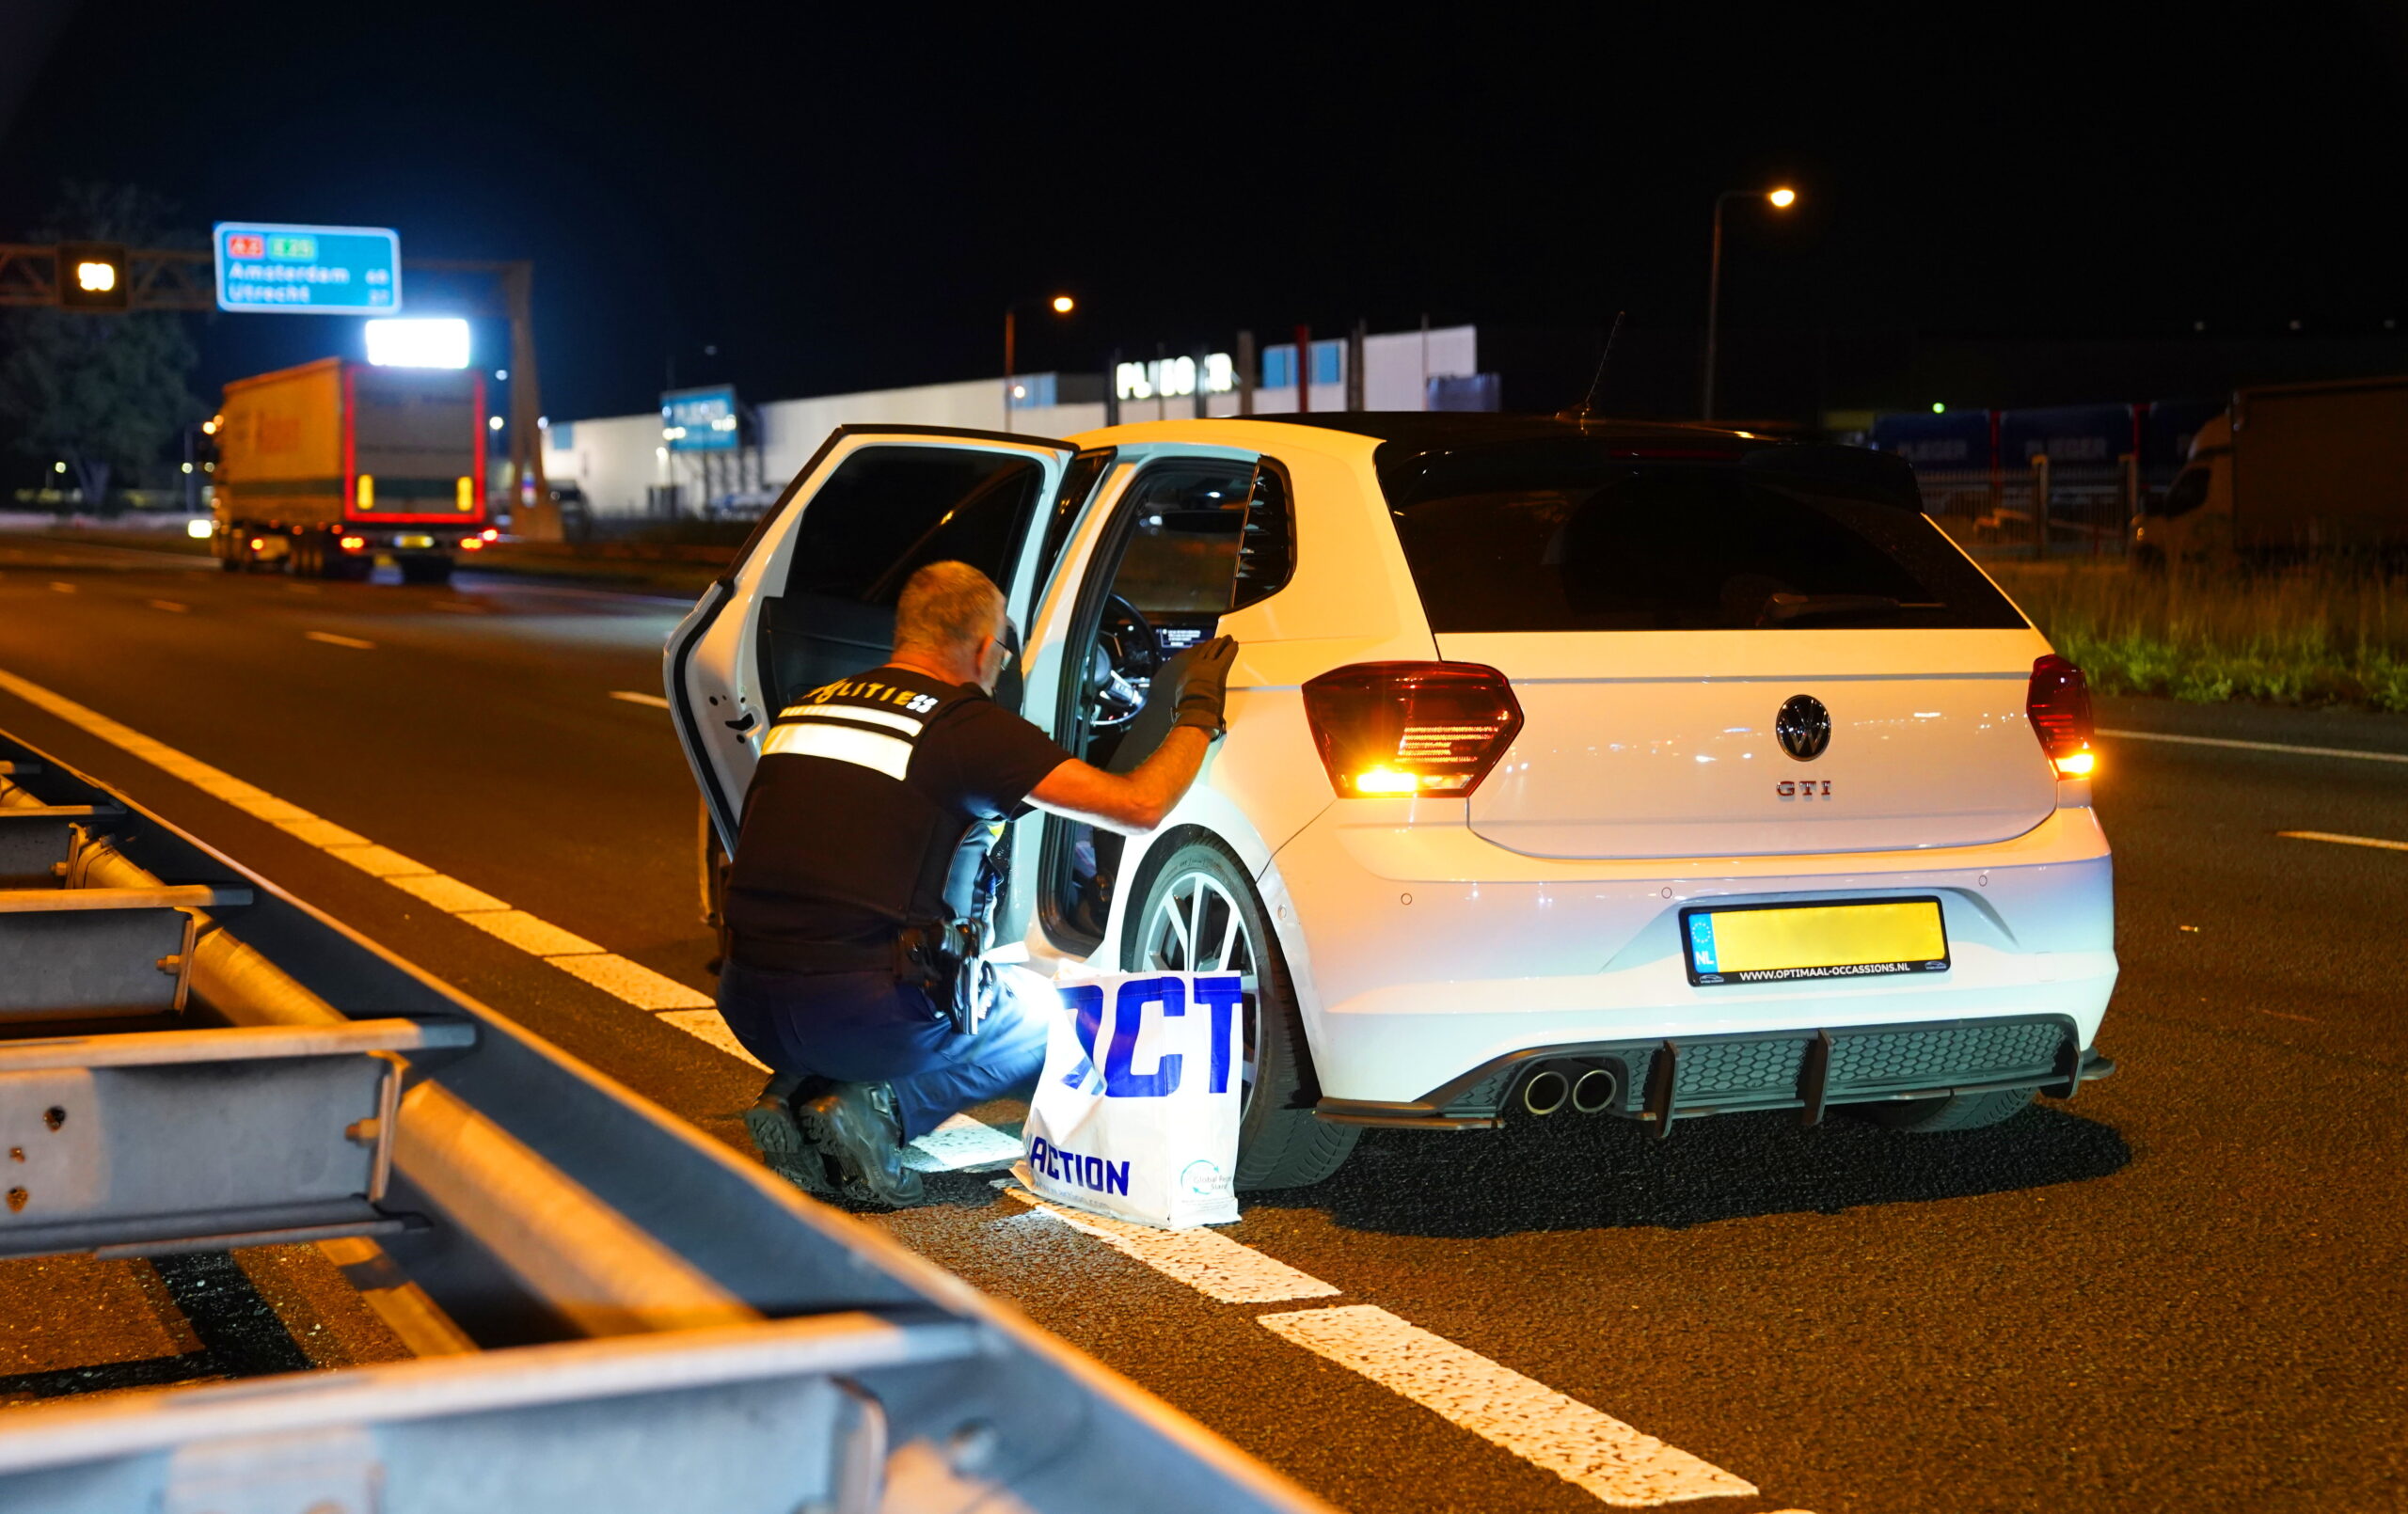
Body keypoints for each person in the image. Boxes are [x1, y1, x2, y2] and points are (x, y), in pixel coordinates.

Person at [715, 559, 1236, 1206]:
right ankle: (879, 1108)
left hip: (748, 1003)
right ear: (987, 649)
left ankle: (792, 1094)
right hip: (864, 1014)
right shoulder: (965, 727)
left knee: (843, 963)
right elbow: (1139, 805)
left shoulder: (807, 708)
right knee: (1049, 1018)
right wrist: (1198, 710)